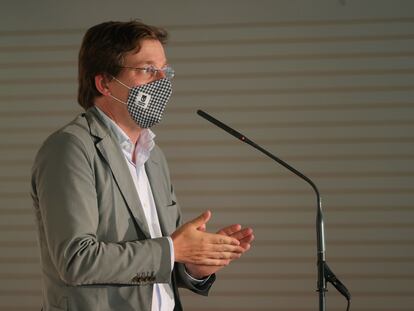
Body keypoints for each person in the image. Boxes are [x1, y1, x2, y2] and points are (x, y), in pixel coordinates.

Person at [30, 20, 254, 311]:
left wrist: (194, 264)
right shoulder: (71, 148)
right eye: (148, 69)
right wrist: (174, 249)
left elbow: (158, 262)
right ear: (105, 83)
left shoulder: (154, 156)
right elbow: (76, 261)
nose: (162, 80)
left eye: (165, 70)